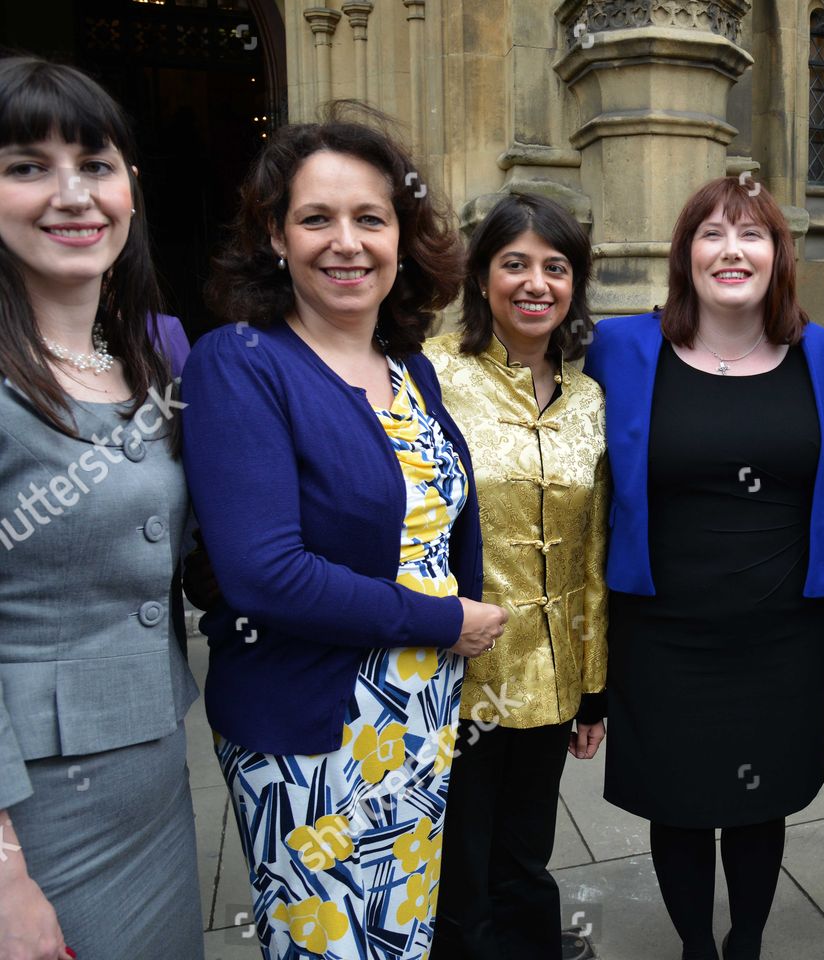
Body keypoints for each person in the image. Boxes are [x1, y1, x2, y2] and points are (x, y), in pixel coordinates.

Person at [181, 109, 508, 958]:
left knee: (400, 935)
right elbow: (265, 574)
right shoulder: (240, 362)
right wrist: (449, 622)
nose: (346, 242)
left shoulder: (412, 369)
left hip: (418, 715)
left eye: (370, 218)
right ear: (275, 237)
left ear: (402, 236)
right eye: (315, 219)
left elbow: (438, 528)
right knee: (330, 945)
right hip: (312, 731)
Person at [583, 176, 824, 960]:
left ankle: (748, 943)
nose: (732, 250)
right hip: (663, 634)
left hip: (780, 635)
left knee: (762, 805)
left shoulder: (819, 351)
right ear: (684, 254)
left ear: (778, 255)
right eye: (712, 234)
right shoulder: (625, 348)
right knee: (681, 801)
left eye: (752, 234)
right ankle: (697, 946)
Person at [0, 55, 201, 960]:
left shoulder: (147, 367)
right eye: (27, 166)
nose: (72, 195)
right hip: (36, 819)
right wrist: (3, 875)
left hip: (156, 775)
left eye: (96, 164)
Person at [426, 193, 608, 959]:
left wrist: (595, 686)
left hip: (554, 672)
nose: (536, 283)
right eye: (515, 264)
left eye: (555, 267)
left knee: (525, 852)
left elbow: (593, 547)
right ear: (481, 275)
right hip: (460, 672)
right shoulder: (431, 374)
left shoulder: (590, 396)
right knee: (459, 863)